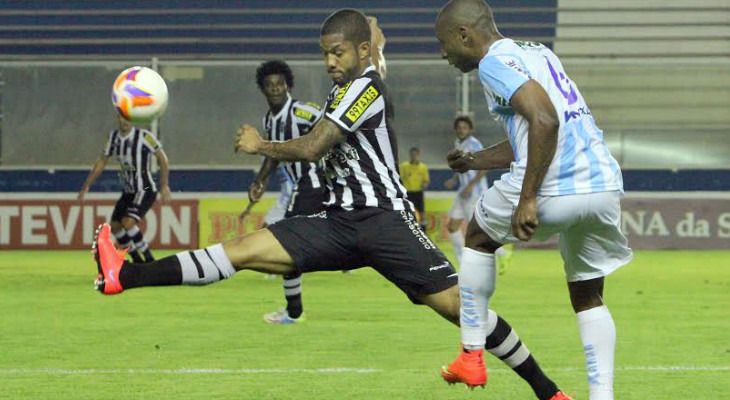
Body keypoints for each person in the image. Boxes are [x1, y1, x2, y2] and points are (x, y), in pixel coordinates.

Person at [91, 9, 571, 400]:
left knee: (459, 308)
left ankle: (548, 392)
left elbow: (313, 146)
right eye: (324, 54)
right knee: (240, 250)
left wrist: (262, 146)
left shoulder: (363, 89)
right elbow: (370, 61)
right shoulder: (353, 84)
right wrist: (374, 39)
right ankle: (122, 276)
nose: (329, 62)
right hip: (339, 222)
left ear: (359, 51)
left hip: (386, 221)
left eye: (338, 52)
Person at [435, 1, 633, 399]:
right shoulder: (538, 52)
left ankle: (472, 353)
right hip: (602, 185)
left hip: (554, 186)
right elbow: (534, 132)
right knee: (588, 295)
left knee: (476, 236)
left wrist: (527, 198)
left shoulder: (493, 63)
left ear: (464, 35)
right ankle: (602, 395)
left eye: (444, 43)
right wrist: (476, 161)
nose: (444, 53)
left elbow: (544, 120)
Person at [239, 59, 326, 324]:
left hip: (313, 186)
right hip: (300, 189)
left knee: (286, 248)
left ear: (288, 85)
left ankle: (294, 312)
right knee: (290, 250)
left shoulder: (303, 112)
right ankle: (294, 311)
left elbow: (332, 126)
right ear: (263, 89)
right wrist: (261, 181)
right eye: (270, 85)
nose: (275, 89)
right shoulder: (270, 119)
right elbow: (272, 154)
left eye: (280, 84)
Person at [78, 114, 171, 263]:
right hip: (129, 191)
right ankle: (137, 261)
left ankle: (149, 259)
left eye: (127, 118)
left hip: (145, 189)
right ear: (117, 119)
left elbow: (162, 158)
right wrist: (86, 186)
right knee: (115, 227)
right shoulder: (113, 138)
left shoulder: (144, 137)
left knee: (128, 222)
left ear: (132, 120)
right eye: (121, 118)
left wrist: (164, 185)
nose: (124, 121)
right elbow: (101, 162)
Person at [443, 115, 488, 266]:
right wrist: (454, 179)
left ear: (470, 130)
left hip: (474, 192)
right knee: (452, 226)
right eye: (459, 127)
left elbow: (485, 167)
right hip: (463, 192)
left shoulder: (475, 144)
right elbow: (461, 166)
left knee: (475, 230)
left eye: (464, 128)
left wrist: (470, 186)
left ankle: (502, 253)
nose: (461, 130)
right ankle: (463, 262)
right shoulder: (457, 144)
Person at [399, 147, 429, 230]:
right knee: (408, 213)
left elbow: (426, 180)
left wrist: (425, 185)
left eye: (415, 155)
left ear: (418, 155)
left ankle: (424, 232)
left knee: (422, 213)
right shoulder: (404, 166)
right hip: (408, 193)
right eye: (412, 155)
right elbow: (400, 178)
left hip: (418, 193)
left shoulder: (423, 167)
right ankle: (408, 230)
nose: (414, 156)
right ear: (410, 155)